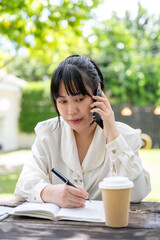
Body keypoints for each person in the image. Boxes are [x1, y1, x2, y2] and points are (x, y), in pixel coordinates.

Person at [14, 55, 151, 208]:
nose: (71, 111)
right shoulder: (48, 133)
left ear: (98, 93)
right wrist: (51, 192)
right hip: (60, 230)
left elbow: (137, 193)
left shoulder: (124, 136)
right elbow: (24, 184)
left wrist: (113, 136)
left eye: (79, 99)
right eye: (63, 101)